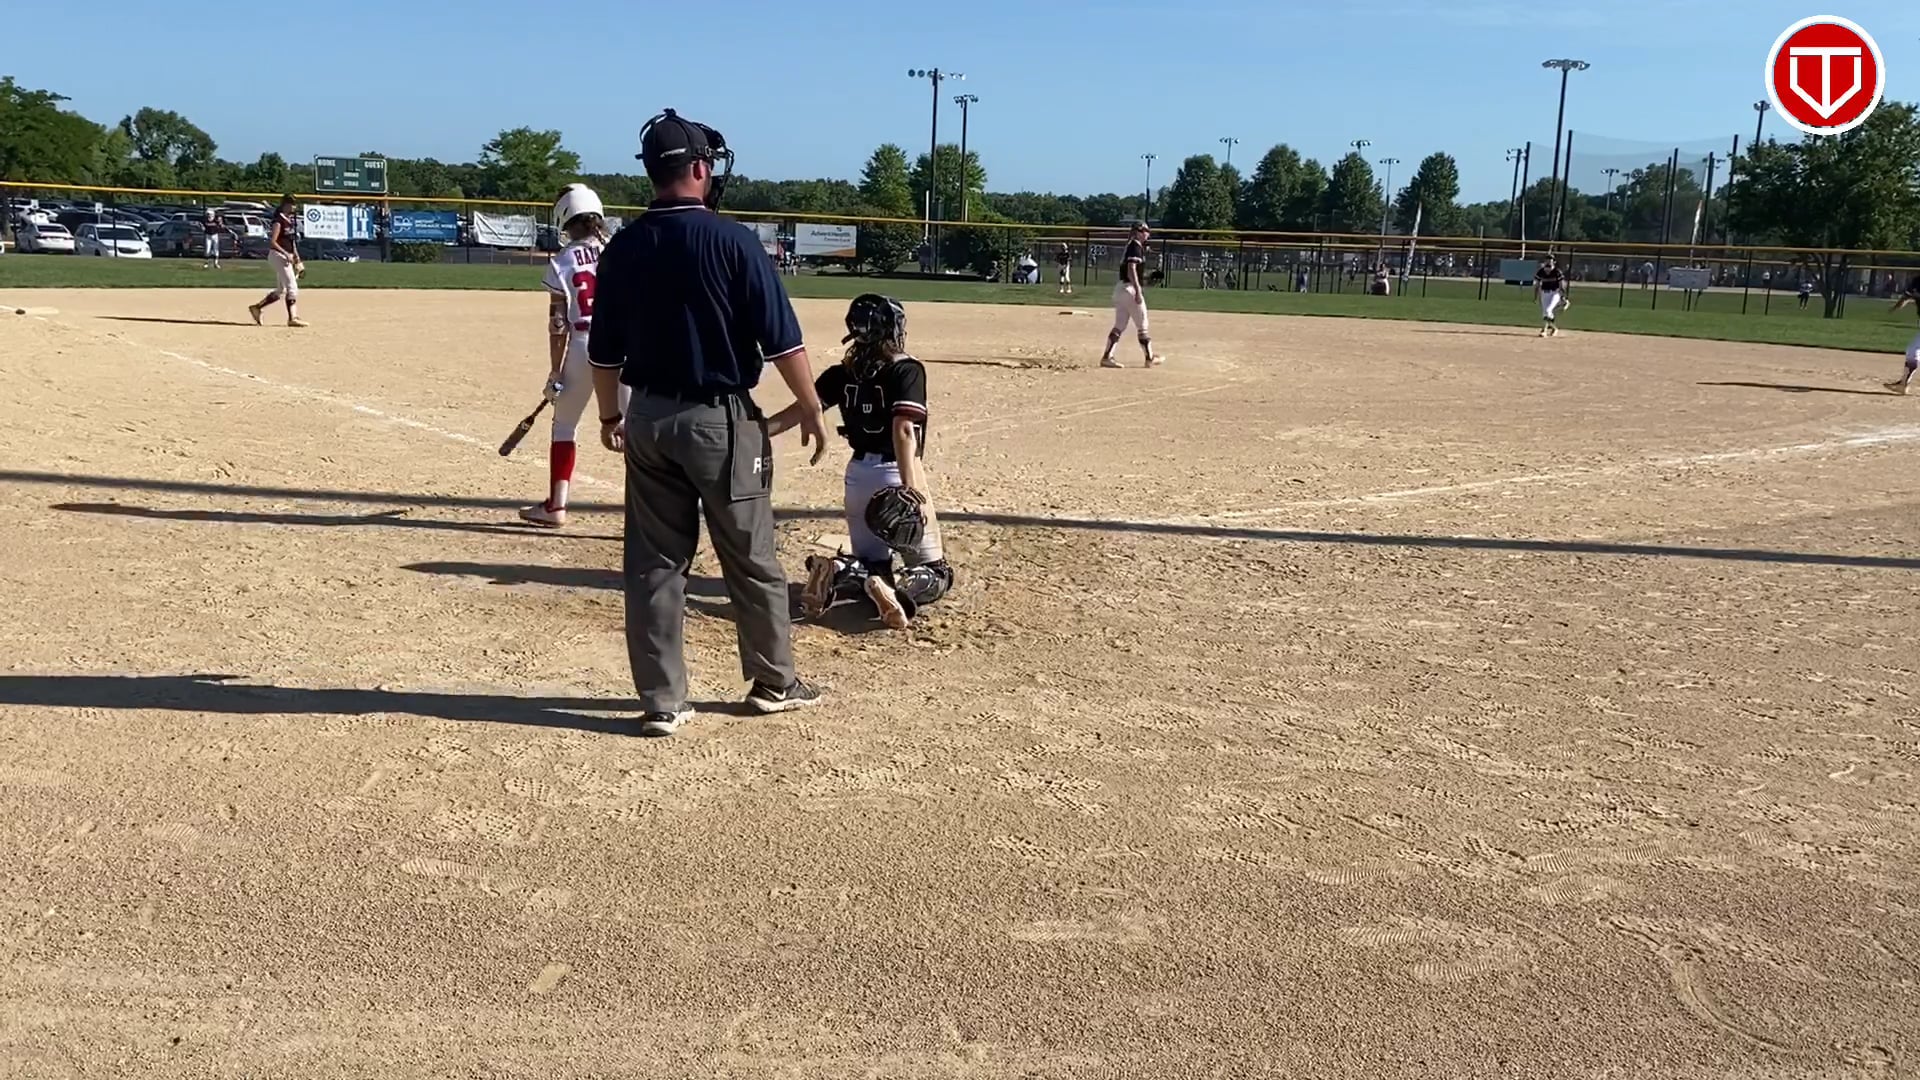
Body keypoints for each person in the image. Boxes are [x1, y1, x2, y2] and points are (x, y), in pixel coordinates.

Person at [587, 107, 829, 737]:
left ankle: (662, 701)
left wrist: (611, 414)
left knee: (654, 563)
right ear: (699, 168)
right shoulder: (733, 240)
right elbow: (783, 342)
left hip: (647, 416)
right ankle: (774, 681)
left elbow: (603, 353)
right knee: (750, 555)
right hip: (719, 421)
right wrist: (809, 405)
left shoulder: (624, 246)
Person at [770, 294, 954, 631]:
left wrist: (758, 431)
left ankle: (838, 571)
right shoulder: (907, 369)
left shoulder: (841, 373)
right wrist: (910, 488)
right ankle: (896, 590)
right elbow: (903, 430)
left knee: (872, 562)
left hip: (857, 476)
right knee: (936, 572)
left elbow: (801, 410)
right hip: (896, 472)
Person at [519, 183, 628, 528]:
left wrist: (555, 373)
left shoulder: (562, 261)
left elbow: (558, 324)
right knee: (632, 429)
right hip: (623, 346)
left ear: (564, 220)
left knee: (565, 425)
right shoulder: (621, 252)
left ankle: (557, 506)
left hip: (583, 345)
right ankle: (645, 516)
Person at [1100, 221, 1161, 368]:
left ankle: (1107, 357)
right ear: (1139, 232)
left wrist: (1145, 279)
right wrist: (1138, 290)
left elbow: (1132, 270)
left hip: (1121, 289)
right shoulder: (1135, 245)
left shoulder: (1131, 245)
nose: (1148, 234)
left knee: (1119, 325)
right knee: (1143, 325)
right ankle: (1149, 358)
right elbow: (1131, 269)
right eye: (1146, 231)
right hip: (1130, 289)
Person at [247, 197, 306, 327]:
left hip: (286, 256)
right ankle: (292, 318)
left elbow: (291, 242)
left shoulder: (290, 221)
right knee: (292, 287)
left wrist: (297, 258)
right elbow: (273, 242)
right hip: (277, 256)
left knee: (281, 289)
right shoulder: (278, 221)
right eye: (292, 204)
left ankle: (256, 308)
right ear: (285, 205)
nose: (295, 207)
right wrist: (286, 254)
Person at [1884, 276, 1920, 396]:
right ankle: (1903, 383)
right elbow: (1907, 297)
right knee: (1913, 351)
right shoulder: (1917, 281)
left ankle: (1903, 384)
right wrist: (1895, 308)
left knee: (1913, 351)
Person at [1533, 254, 1567, 337]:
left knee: (1548, 310)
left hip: (1555, 293)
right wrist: (1535, 296)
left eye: (1550, 260)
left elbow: (1561, 285)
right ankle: (1554, 328)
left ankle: (1544, 330)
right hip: (1544, 293)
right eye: (1547, 260)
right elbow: (1537, 285)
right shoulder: (1541, 272)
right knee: (1546, 313)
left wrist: (1563, 296)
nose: (1548, 261)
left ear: (1554, 262)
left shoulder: (1557, 272)